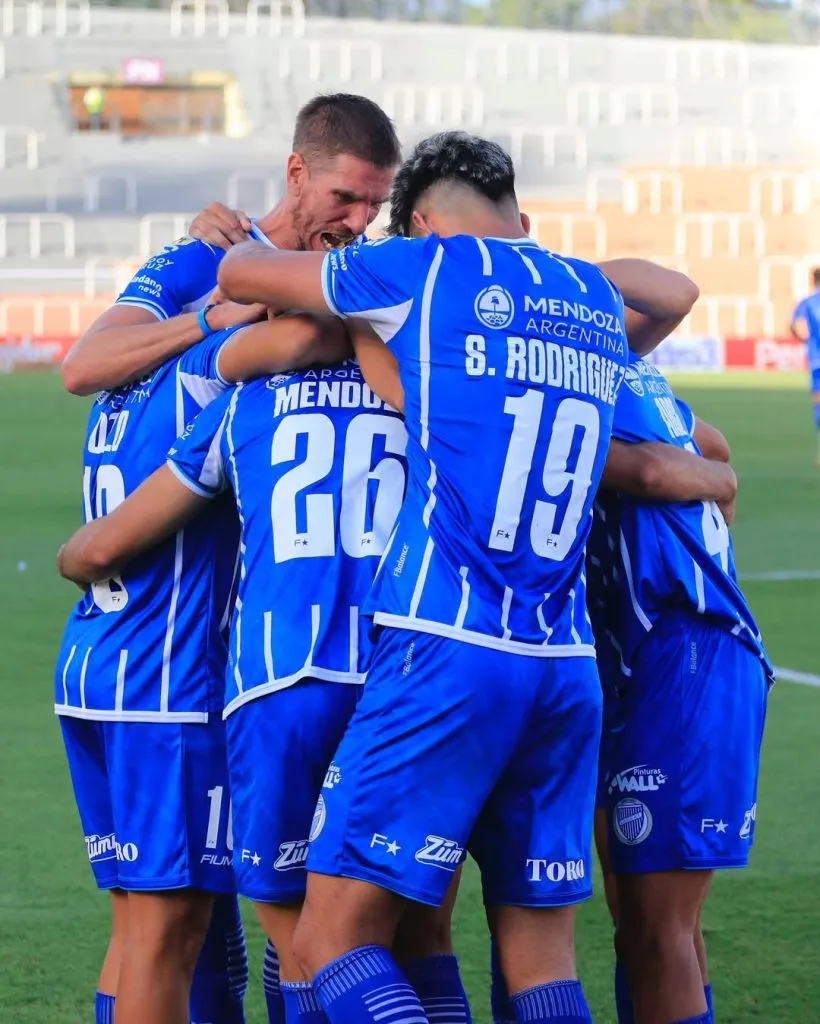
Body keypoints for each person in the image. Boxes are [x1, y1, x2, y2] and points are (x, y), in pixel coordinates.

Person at [215, 130, 699, 1024]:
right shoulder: (589, 296)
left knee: (327, 943)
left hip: (446, 650)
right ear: (522, 216)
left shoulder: (423, 272)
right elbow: (674, 296)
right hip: (564, 666)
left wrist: (248, 234)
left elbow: (248, 276)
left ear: (425, 223)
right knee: (542, 958)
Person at [56, 325, 474, 1024]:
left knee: (302, 936)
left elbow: (106, 544)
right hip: (410, 682)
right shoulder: (428, 396)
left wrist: (74, 557)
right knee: (419, 930)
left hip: (281, 687)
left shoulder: (242, 403)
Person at [54, 310, 343, 1024]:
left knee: (138, 928)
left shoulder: (125, 386)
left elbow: (87, 550)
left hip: (96, 665)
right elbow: (305, 338)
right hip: (167, 687)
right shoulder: (205, 370)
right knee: (168, 935)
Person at [583, 355, 772, 1024]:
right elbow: (711, 450)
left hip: (684, 655)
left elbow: (664, 468)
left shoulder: (594, 380)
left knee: (659, 931)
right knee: (643, 924)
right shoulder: (631, 376)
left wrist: (705, 576)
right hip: (643, 662)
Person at [60, 92, 401, 398]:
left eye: (375, 204)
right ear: (296, 173)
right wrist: (213, 320)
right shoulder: (211, 250)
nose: (359, 222)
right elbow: (82, 369)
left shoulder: (373, 276)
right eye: (343, 197)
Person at [789, 267, 820, 466]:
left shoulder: (807, 302)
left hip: (817, 359)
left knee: (818, 403)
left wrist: (804, 338)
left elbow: (794, 324)